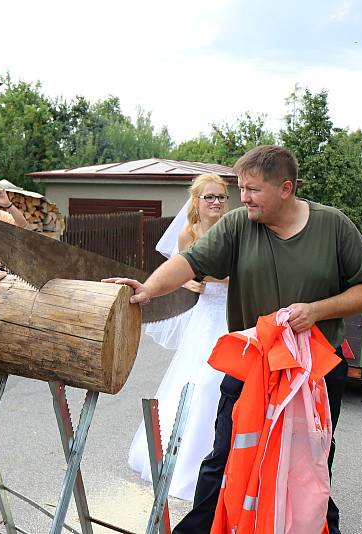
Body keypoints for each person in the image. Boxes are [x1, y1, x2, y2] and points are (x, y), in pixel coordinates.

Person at [104, 145, 362, 534]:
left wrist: (317, 311)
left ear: (285, 188)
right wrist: (149, 289)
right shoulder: (239, 225)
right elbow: (191, 262)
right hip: (251, 364)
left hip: (314, 373)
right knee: (223, 455)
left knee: (310, 459)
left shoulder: (333, 225)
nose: (243, 198)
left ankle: (319, 526)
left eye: (253, 190)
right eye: (240, 188)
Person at [127, 173, 230, 501]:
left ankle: (224, 455)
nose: (215, 202)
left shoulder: (234, 230)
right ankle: (185, 459)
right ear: (196, 203)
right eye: (209, 197)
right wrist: (191, 283)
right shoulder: (189, 234)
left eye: (221, 197)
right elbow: (183, 272)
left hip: (231, 312)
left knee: (225, 380)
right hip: (206, 314)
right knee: (200, 378)